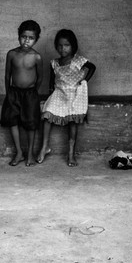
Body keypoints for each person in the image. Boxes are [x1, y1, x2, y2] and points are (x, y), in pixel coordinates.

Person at [37, 29, 96, 167]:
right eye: (60, 45)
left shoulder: (78, 60)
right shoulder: (54, 63)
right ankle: (44, 147)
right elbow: (52, 80)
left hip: (74, 93)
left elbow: (92, 67)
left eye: (66, 45)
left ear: (73, 46)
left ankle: (71, 153)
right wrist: (50, 92)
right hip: (59, 92)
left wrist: (84, 80)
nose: (62, 48)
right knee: (47, 114)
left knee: (72, 120)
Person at [0, 20, 43, 167]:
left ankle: (30, 154)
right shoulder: (12, 54)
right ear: (18, 36)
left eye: (31, 38)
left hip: (30, 94)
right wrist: (8, 93)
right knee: (12, 121)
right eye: (24, 37)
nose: (26, 41)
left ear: (36, 40)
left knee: (31, 123)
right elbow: (7, 75)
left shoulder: (36, 57)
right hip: (13, 92)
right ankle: (19, 152)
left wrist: (33, 93)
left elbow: (40, 78)